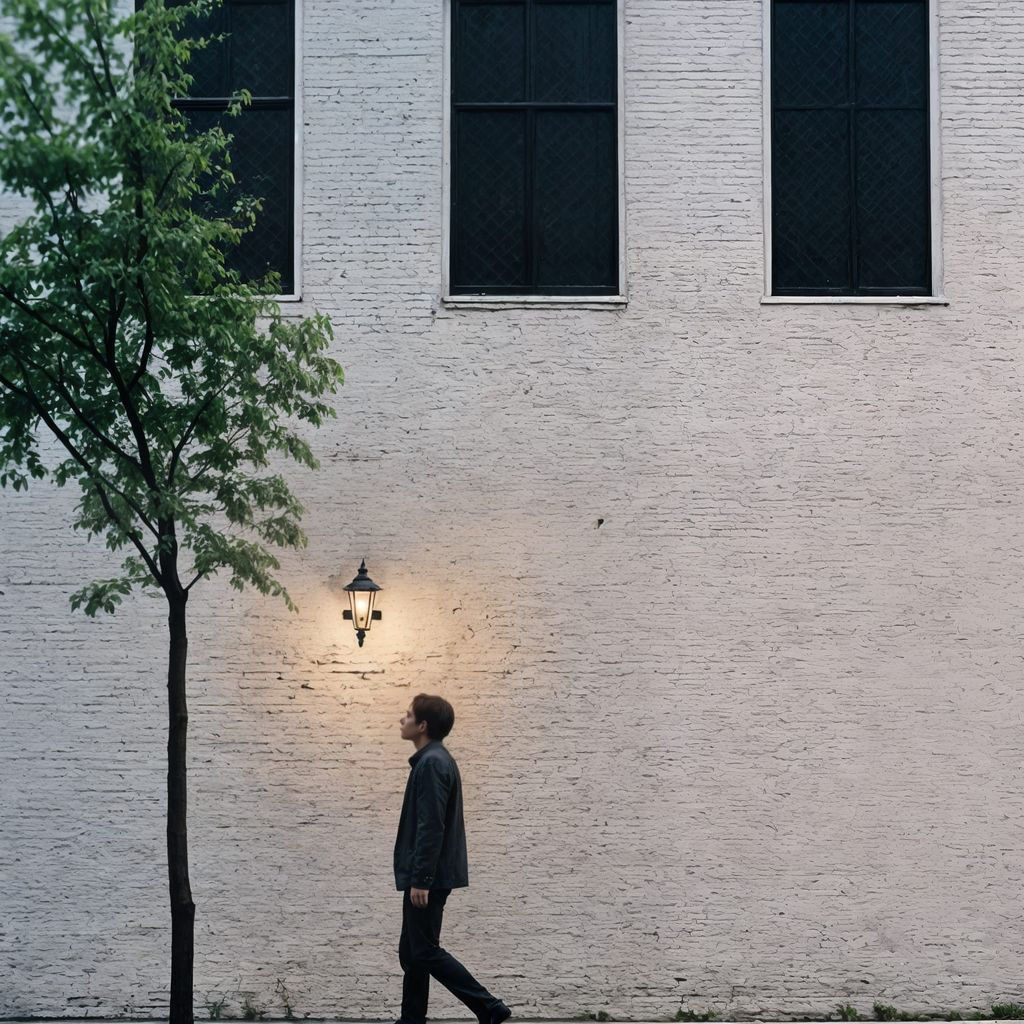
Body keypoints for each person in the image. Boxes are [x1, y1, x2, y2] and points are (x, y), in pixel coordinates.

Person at [394, 693, 512, 1024]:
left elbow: (431, 826)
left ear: (422, 725)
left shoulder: (432, 763)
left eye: (407, 715)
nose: (401, 721)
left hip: (429, 878)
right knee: (413, 953)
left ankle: (489, 1007)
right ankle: (411, 1020)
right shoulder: (433, 759)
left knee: (425, 951)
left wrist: (422, 879)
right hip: (430, 875)